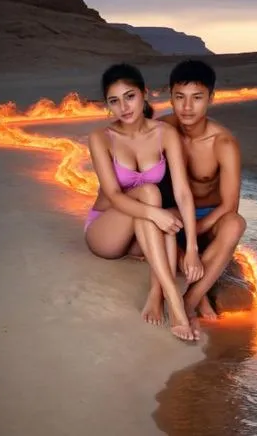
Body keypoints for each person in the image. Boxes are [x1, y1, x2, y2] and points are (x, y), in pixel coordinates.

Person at [85, 63, 203, 341]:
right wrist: (155, 213)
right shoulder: (101, 138)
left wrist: (195, 248)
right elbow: (113, 195)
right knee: (152, 198)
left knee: (163, 212)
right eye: (114, 101)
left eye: (130, 96)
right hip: (107, 231)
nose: (123, 107)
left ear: (144, 94)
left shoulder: (165, 133)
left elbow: (184, 192)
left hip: (140, 235)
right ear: (107, 105)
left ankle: (155, 292)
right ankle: (173, 298)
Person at [158, 59, 247, 320]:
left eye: (196, 97)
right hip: (174, 215)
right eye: (180, 97)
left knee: (236, 224)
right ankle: (201, 294)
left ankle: (190, 300)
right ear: (170, 97)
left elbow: (230, 205)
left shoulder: (223, 143)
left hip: (208, 217)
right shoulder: (162, 130)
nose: (187, 107)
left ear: (211, 97)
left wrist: (194, 231)